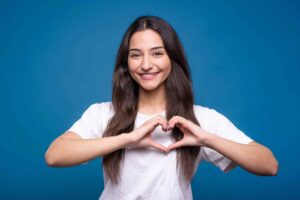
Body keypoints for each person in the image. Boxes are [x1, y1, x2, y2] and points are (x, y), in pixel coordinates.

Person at [45, 15, 278, 200]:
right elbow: (55, 155)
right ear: (126, 63)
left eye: (157, 53)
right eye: (136, 55)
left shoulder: (200, 119)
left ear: (172, 59)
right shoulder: (102, 113)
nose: (146, 65)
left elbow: (269, 165)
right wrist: (127, 139)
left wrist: (207, 139)